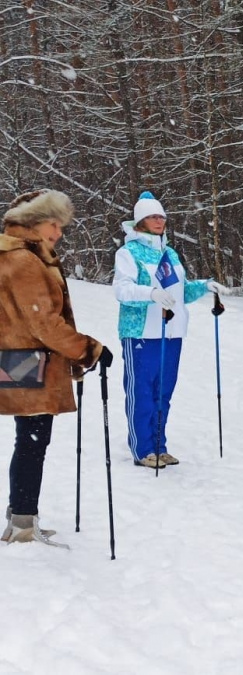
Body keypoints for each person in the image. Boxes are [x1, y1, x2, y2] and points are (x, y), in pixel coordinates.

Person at [0, 189, 113, 546]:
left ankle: (23, 516)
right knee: (33, 442)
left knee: (31, 441)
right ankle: (21, 526)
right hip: (29, 361)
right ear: (36, 223)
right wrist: (89, 350)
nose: (60, 233)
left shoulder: (24, 255)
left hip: (24, 360)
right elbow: (43, 324)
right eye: (55, 225)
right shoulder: (23, 260)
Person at [113, 192, 230, 469]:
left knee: (163, 393)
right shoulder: (128, 252)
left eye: (161, 217)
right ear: (140, 221)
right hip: (141, 331)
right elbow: (121, 290)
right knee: (141, 391)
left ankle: (158, 446)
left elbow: (180, 292)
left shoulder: (170, 253)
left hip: (172, 331)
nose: (159, 221)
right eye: (153, 216)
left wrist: (204, 286)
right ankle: (142, 449)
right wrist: (151, 293)